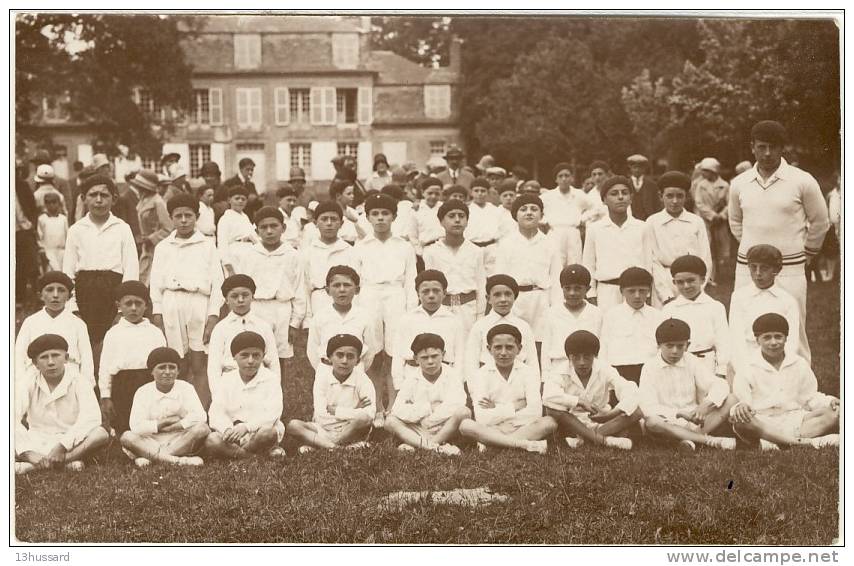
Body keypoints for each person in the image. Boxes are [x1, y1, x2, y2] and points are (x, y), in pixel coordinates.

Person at [729, 120, 829, 364]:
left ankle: (801, 387)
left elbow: (820, 221)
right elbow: (736, 222)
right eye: (761, 147)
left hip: (790, 268)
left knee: (793, 328)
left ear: (782, 148)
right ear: (752, 146)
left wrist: (805, 254)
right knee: (745, 326)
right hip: (747, 269)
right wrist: (759, 256)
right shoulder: (739, 183)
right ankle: (748, 384)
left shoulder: (802, 180)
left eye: (773, 147)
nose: (767, 153)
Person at [149, 193, 223, 408]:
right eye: (178, 216)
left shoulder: (207, 245)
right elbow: (155, 283)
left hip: (198, 303)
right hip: (171, 303)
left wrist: (213, 315)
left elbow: (218, 283)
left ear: (196, 217)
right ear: (171, 218)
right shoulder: (163, 247)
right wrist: (157, 313)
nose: (183, 220)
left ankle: (201, 413)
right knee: (177, 362)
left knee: (199, 363)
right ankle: (179, 410)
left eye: (188, 216)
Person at [729, 313, 839, 450]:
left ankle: (773, 443)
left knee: (835, 412)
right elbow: (742, 402)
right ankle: (805, 443)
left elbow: (810, 396)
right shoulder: (747, 366)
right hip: (761, 421)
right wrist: (741, 407)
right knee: (742, 422)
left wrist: (829, 402)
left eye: (778, 336)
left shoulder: (798, 363)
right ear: (757, 340)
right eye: (767, 337)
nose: (773, 342)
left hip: (794, 420)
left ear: (786, 338)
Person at [353, 193, 418, 416]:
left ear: (394, 217)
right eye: (375, 214)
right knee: (371, 352)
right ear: (368, 218)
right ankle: (376, 405)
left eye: (385, 214)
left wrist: (410, 311)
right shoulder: (361, 246)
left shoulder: (404, 246)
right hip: (370, 295)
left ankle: (394, 404)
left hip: (396, 295)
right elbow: (355, 282)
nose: (380, 218)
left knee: (395, 352)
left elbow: (411, 281)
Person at [15, 334, 110, 475]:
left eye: (55, 355)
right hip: (37, 440)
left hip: (70, 441)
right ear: (35, 363)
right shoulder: (28, 381)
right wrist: (28, 453)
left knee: (100, 434)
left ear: (66, 358)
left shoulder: (79, 381)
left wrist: (61, 447)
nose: (51, 362)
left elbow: (90, 418)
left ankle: (52, 462)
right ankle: (61, 463)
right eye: (44, 357)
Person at [639, 319, 738, 452]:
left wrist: (705, 405)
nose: (675, 351)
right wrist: (679, 413)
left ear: (688, 345)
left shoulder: (691, 360)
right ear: (658, 345)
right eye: (669, 346)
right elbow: (648, 407)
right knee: (652, 422)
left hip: (695, 421)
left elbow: (720, 385)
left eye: (680, 346)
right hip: (668, 423)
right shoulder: (649, 367)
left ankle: (688, 440)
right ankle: (710, 441)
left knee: (731, 399)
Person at [63, 174, 139, 346]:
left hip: (113, 292)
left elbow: (131, 269)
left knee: (114, 341)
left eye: (104, 195)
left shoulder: (122, 228)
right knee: (85, 343)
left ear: (114, 199)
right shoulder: (76, 230)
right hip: (85, 293)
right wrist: (73, 306)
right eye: (93, 195)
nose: (98, 200)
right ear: (83, 199)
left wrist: (123, 307)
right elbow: (68, 271)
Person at [460, 324, 557, 454]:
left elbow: (535, 412)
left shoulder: (529, 372)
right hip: (492, 429)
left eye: (509, 347)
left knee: (549, 422)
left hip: (522, 427)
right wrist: (514, 407)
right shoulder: (480, 374)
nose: (503, 353)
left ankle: (495, 444)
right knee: (466, 425)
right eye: (498, 347)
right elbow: (482, 417)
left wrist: (497, 410)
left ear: (519, 349)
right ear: (489, 349)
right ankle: (522, 444)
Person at [543, 331, 640, 449]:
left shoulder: (604, 368)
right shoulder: (560, 370)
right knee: (552, 409)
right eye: (576, 357)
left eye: (587, 356)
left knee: (637, 411)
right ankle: (603, 440)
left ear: (595, 356)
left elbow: (630, 390)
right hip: (573, 423)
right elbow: (548, 395)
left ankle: (584, 440)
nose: (582, 362)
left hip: (603, 422)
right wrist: (579, 401)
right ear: (569, 357)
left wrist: (610, 414)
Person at [120, 347, 210, 468]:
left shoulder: (186, 388)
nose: (167, 372)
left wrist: (177, 425)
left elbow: (200, 416)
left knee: (202, 428)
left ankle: (152, 457)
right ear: (151, 371)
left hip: (180, 440)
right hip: (150, 441)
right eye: (162, 367)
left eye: (172, 367)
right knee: (127, 437)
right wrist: (164, 422)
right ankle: (178, 461)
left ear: (178, 371)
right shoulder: (143, 392)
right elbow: (136, 426)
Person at [238, 207, 306, 365]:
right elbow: (240, 287)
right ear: (256, 230)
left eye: (274, 226)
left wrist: (294, 323)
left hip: (282, 310)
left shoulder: (292, 255)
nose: (269, 231)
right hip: (256, 309)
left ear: (283, 228)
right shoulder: (249, 255)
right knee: (254, 356)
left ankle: (277, 390)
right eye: (263, 227)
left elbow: (299, 289)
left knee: (278, 360)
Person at [494, 193, 562, 350]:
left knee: (542, 344)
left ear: (541, 215)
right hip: (516, 301)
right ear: (515, 216)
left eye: (534, 209)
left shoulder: (550, 243)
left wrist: (556, 307)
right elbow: (500, 279)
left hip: (542, 300)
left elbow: (556, 278)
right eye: (523, 209)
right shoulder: (506, 244)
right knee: (517, 343)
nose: (529, 212)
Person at [286, 334, 375, 452]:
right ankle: (338, 447)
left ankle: (321, 445)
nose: (344, 361)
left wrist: (337, 411)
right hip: (324, 429)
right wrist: (354, 411)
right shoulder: (322, 378)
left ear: (357, 360)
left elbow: (369, 415)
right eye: (339, 355)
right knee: (293, 425)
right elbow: (320, 414)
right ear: (329, 357)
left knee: (364, 419)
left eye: (350, 356)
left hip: (352, 429)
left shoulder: (363, 380)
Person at [204, 331, 286, 459]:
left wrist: (247, 427)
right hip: (234, 434)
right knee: (212, 439)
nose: (250, 361)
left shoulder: (270, 379)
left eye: (256, 355)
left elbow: (273, 413)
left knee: (267, 433)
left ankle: (238, 454)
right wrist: (227, 430)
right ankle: (251, 457)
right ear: (234, 357)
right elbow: (216, 411)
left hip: (258, 433)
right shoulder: (226, 379)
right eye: (244, 355)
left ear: (263, 356)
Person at [99, 281, 167, 434]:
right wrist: (105, 396)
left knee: (148, 422)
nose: (134, 308)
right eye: (128, 303)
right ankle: (125, 438)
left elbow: (163, 362)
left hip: (148, 381)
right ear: (119, 305)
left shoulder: (155, 332)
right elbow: (105, 367)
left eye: (138, 303)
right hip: (123, 384)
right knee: (125, 426)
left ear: (146, 305)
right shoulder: (113, 333)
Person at [386, 333, 470, 455]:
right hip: (419, 426)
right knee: (390, 421)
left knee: (464, 412)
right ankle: (435, 447)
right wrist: (427, 408)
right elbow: (398, 409)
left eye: (434, 356)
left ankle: (419, 444)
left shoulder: (452, 375)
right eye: (425, 358)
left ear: (443, 354)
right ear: (416, 359)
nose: (430, 362)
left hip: (445, 425)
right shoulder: (411, 379)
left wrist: (430, 419)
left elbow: (457, 403)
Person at [582, 176, 649, 313]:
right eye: (614, 193)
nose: (620, 197)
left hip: (635, 292)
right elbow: (589, 264)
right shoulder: (595, 229)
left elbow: (648, 262)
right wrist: (591, 294)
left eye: (624, 193)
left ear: (630, 198)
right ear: (604, 200)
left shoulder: (642, 227)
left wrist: (647, 293)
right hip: (607, 292)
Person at [643, 171, 711, 307]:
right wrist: (665, 294)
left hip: (693, 283)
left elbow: (705, 258)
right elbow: (651, 261)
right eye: (669, 196)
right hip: (664, 281)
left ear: (686, 197)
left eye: (680, 196)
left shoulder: (696, 221)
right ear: (660, 196)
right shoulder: (652, 222)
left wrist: (698, 288)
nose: (675, 201)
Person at [391, 270, 466, 393]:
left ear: (444, 293)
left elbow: (460, 356)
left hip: (445, 378)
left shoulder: (454, 321)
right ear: (418, 294)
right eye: (425, 291)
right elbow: (398, 355)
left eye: (436, 291)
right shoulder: (407, 319)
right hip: (412, 378)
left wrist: (457, 383)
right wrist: (399, 384)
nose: (431, 295)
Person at [729, 245, 801, 372]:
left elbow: (792, 341)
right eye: (753, 267)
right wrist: (744, 369)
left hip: (777, 360)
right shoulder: (739, 297)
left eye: (764, 268)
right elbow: (736, 338)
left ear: (776, 270)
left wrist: (781, 367)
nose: (758, 273)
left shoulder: (787, 300)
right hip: (747, 361)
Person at [15, 272, 94, 387]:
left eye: (61, 290)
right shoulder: (31, 322)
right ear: (40, 295)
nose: (55, 295)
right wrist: (20, 383)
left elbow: (87, 359)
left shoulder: (78, 324)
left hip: (70, 378)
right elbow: (19, 356)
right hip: (36, 378)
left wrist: (86, 386)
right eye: (50, 290)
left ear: (69, 296)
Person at [206, 275, 278, 399]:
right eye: (234, 296)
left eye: (245, 295)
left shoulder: (263, 326)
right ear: (226, 300)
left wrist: (274, 392)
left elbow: (274, 363)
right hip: (230, 385)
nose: (240, 300)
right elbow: (214, 367)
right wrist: (218, 397)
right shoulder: (220, 329)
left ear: (253, 297)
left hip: (259, 382)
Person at [423, 200, 486, 336]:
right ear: (441, 221)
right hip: (441, 308)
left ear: (467, 221)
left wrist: (480, 316)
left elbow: (481, 286)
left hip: (469, 309)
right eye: (451, 216)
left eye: (461, 216)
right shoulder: (431, 252)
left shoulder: (476, 251)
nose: (457, 220)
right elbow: (428, 286)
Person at [662, 255, 729, 379]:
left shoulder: (715, 307)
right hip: (680, 365)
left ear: (703, 279)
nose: (686, 286)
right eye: (680, 282)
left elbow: (723, 342)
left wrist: (721, 370)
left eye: (691, 280)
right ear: (674, 283)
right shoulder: (669, 309)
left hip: (708, 365)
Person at [464, 275, 538, 383]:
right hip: (487, 385)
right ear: (488, 299)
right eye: (497, 295)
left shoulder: (523, 326)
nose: (503, 299)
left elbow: (532, 363)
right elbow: (471, 364)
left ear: (515, 297)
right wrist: (476, 393)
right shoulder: (479, 326)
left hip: (519, 384)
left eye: (508, 294)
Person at [306, 265, 379, 371]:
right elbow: (312, 350)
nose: (342, 290)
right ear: (327, 290)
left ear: (357, 290)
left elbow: (370, 351)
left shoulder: (364, 317)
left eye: (347, 285)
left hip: (355, 371)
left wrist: (359, 369)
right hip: (326, 371)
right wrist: (322, 371)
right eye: (336, 285)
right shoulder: (320, 317)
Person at [599, 267, 664, 383]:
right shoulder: (611, 316)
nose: (637, 296)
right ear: (622, 291)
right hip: (620, 372)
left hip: (650, 372)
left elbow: (662, 349)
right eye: (631, 291)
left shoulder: (657, 316)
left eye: (642, 291)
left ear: (649, 291)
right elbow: (604, 349)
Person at [539, 265, 603, 383]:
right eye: (567, 288)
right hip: (558, 369)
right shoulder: (552, 313)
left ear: (588, 289)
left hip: (588, 370)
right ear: (561, 288)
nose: (572, 293)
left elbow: (602, 348)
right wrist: (545, 378)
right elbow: (546, 348)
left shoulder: (596, 313)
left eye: (577, 288)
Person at [301, 202, 359, 319]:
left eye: (333, 219)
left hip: (346, 305)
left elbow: (357, 285)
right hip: (317, 303)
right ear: (315, 223)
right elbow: (304, 287)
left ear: (341, 223)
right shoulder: (307, 253)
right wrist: (307, 318)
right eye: (324, 219)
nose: (329, 223)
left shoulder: (350, 251)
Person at [540, 162, 594, 266]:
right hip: (555, 232)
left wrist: (583, 218)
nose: (564, 179)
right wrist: (545, 220)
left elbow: (595, 208)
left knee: (574, 262)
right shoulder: (548, 196)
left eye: (567, 175)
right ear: (556, 179)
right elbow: (536, 208)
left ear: (571, 178)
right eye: (560, 176)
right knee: (556, 263)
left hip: (573, 232)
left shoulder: (579, 194)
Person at [693, 158, 731, 285]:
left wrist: (721, 215)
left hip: (719, 221)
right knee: (707, 248)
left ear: (713, 171)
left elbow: (729, 203)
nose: (703, 173)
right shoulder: (700, 185)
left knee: (719, 247)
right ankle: (709, 276)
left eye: (705, 171)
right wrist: (712, 215)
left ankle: (717, 274)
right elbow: (699, 203)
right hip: (705, 221)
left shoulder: (724, 185)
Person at [132, 169, 174, 285]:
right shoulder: (143, 200)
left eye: (140, 186)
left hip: (157, 247)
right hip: (147, 247)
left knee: (154, 280)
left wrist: (151, 238)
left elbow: (168, 228)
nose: (138, 188)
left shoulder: (158, 202)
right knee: (143, 277)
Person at [216, 185, 258, 277]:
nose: (240, 201)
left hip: (249, 253)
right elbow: (222, 244)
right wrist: (228, 266)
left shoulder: (245, 217)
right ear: (229, 200)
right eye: (237, 198)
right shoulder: (225, 219)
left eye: (243, 199)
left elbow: (254, 237)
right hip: (234, 255)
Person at [408, 177, 445, 263]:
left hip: (444, 248)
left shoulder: (444, 207)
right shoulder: (416, 210)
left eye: (437, 194)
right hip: (425, 250)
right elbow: (412, 235)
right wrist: (420, 252)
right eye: (430, 193)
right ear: (423, 192)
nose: (433, 196)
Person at [37, 192, 68, 272]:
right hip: (49, 251)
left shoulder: (63, 219)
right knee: (51, 272)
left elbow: (67, 235)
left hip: (62, 251)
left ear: (59, 203)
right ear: (45, 204)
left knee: (63, 272)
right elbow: (39, 237)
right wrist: (42, 250)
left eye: (54, 202)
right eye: (48, 203)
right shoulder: (42, 219)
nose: (51, 205)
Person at [626, 154, 661, 221]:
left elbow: (657, 204)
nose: (637, 170)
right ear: (630, 168)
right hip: (630, 218)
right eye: (634, 167)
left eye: (640, 168)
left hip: (648, 218)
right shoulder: (626, 184)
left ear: (644, 169)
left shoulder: (651, 185)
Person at [276, 184, 304, 250]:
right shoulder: (273, 216)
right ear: (280, 201)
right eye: (289, 200)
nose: (292, 203)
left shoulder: (296, 217)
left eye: (294, 201)